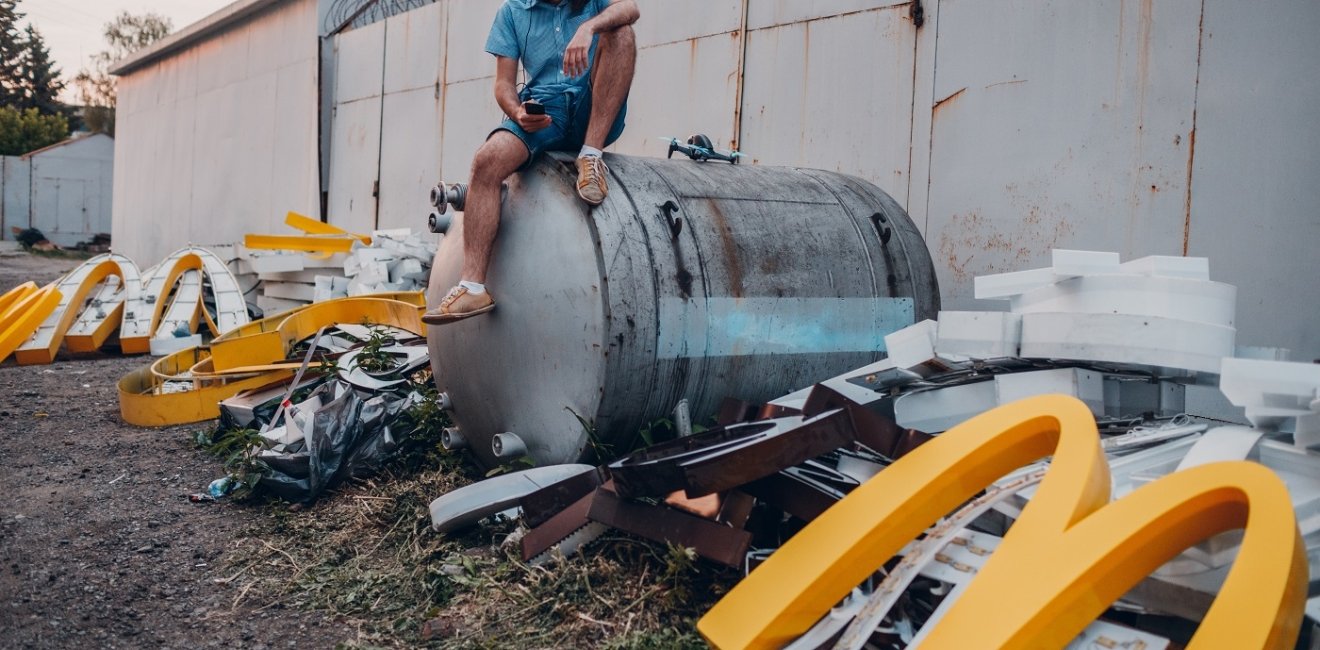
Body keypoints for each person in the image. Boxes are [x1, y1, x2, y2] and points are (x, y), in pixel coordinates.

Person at [423, 0, 639, 325]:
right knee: (486, 162)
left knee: (621, 34)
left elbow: (631, 9)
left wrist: (588, 27)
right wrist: (518, 113)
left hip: (591, 104)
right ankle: (472, 286)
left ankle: (590, 158)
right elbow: (503, 85)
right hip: (543, 110)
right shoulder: (511, 13)